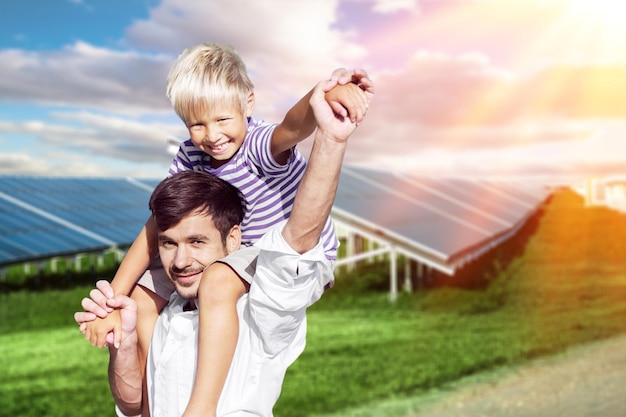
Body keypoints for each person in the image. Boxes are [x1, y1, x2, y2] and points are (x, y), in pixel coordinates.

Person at [78, 41, 373, 416]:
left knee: (217, 279)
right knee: (139, 297)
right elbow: (159, 223)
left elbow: (292, 126)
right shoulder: (191, 154)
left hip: (273, 253)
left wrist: (322, 97)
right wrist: (111, 301)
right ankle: (153, 406)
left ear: (247, 105)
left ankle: (202, 407)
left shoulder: (256, 145)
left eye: (221, 120)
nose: (211, 135)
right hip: (231, 249)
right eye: (197, 124)